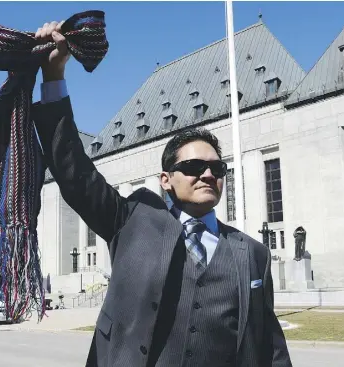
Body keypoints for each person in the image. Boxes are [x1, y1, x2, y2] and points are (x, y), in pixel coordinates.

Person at [33, 21, 292, 367]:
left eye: (217, 169)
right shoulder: (133, 222)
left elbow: (270, 348)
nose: (207, 174)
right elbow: (74, 173)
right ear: (166, 180)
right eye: (193, 167)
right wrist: (53, 78)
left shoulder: (253, 255)